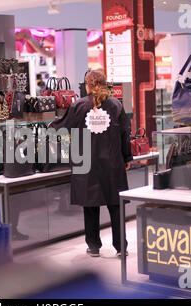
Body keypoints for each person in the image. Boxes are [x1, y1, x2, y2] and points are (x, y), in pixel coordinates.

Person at [50, 70, 132, 257]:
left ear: (86, 85)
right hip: (112, 163)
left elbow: (61, 128)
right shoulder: (116, 105)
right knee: (116, 205)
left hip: (87, 163)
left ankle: (93, 246)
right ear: (105, 84)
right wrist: (127, 158)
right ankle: (121, 247)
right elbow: (125, 135)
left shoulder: (78, 106)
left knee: (91, 205)